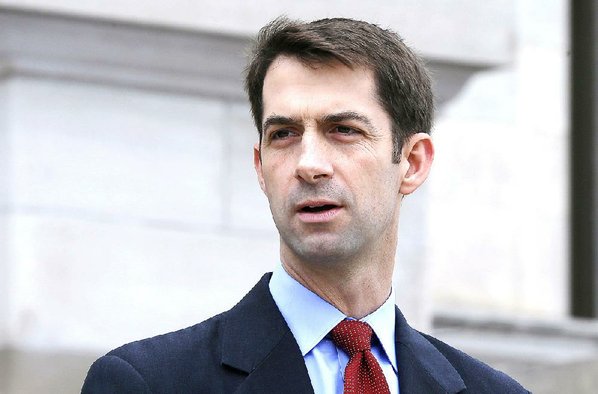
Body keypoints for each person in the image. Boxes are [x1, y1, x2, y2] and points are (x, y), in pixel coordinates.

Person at [82, 17, 529, 393]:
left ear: (411, 163)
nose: (309, 164)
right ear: (260, 167)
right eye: (283, 135)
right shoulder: (147, 383)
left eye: (343, 130)